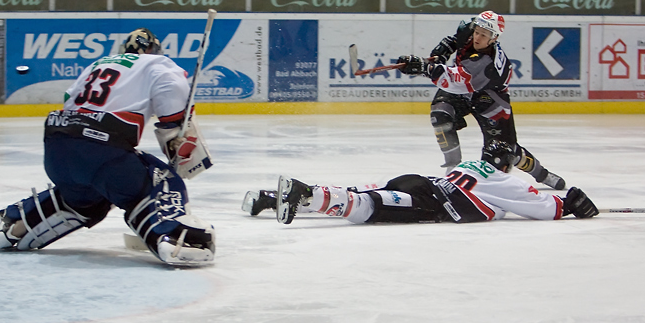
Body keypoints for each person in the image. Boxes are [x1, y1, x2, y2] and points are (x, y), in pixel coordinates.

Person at [0, 28, 216, 266]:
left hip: (57, 148)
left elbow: (71, 102)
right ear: (152, 49)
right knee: (160, 179)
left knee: (89, 198)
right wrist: (179, 129)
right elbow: (172, 106)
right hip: (103, 152)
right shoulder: (158, 63)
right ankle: (173, 236)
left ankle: (20, 223)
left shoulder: (97, 64)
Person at [395, 11, 567, 188]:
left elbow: (456, 80)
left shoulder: (489, 64)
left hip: (490, 98)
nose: (477, 37)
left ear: (494, 38)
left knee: (503, 152)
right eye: (477, 32)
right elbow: (455, 40)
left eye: (484, 35)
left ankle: (542, 174)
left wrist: (425, 68)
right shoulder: (469, 30)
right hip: (463, 89)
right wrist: (444, 51)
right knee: (440, 114)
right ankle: (453, 169)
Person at [242, 141, 598, 226]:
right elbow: (541, 207)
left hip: (418, 180)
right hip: (432, 201)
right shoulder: (506, 182)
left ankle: (273, 198)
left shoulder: (474, 165)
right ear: (506, 164)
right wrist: (572, 204)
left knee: (358, 194)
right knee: (369, 208)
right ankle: (306, 193)